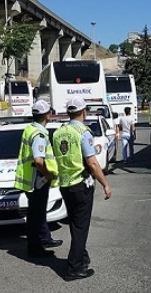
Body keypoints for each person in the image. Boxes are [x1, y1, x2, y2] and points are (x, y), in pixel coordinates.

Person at [52, 96, 112, 281]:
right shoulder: (83, 132)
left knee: (75, 225)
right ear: (84, 111)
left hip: (65, 184)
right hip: (80, 184)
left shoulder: (58, 132)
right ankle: (74, 268)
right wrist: (105, 184)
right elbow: (92, 163)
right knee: (80, 227)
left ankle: (81, 257)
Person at [14, 100, 63, 258]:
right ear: (47, 115)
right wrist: (48, 174)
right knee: (37, 214)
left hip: (31, 179)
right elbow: (39, 160)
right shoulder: (39, 134)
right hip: (38, 180)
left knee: (35, 213)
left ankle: (43, 239)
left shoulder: (30, 128)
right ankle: (36, 248)